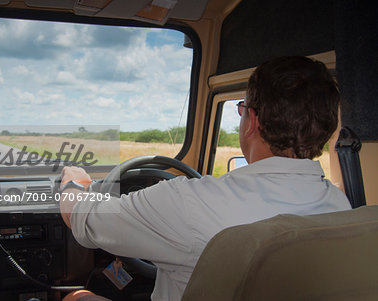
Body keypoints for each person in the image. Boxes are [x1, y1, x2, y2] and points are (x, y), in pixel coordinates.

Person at [59, 56, 352, 301]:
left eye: (241, 110)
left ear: (254, 121)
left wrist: (75, 183)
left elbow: (84, 220)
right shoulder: (339, 205)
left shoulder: (187, 202)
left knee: (76, 297)